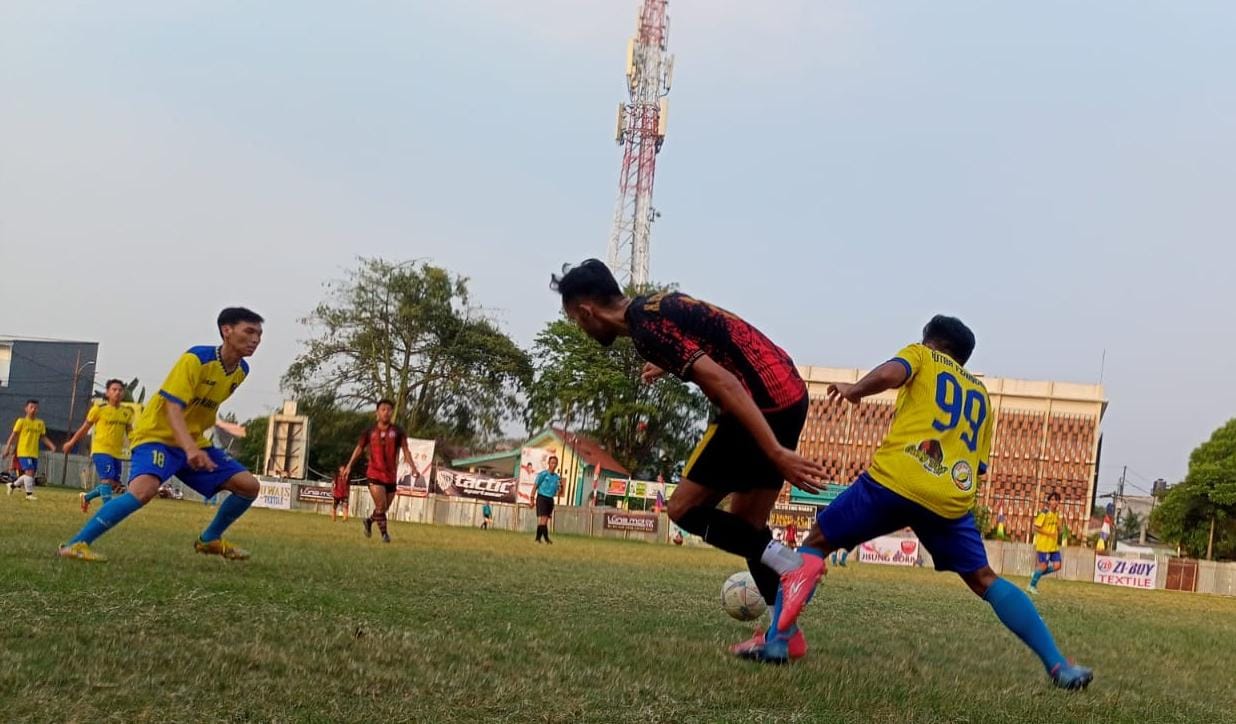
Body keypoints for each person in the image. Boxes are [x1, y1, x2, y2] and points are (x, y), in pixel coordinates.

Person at [760, 316, 1093, 689]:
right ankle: (1059, 665)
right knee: (985, 580)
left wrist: (856, 390)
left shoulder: (922, 356)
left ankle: (777, 641)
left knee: (816, 542)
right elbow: (978, 467)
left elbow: (891, 373)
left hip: (896, 480)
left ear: (931, 342)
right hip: (949, 500)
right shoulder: (982, 397)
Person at [551, 259, 825, 659]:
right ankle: (784, 637)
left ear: (586, 311)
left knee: (683, 509)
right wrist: (668, 362)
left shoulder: (647, 329)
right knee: (748, 526)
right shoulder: (653, 306)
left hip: (757, 404)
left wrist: (776, 452)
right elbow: (718, 330)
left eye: (577, 321)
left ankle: (792, 565)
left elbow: (725, 382)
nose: (581, 328)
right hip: (788, 393)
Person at [58, 308, 266, 562]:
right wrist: (189, 448)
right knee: (143, 491)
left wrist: (194, 445)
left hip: (193, 442)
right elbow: (172, 407)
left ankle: (209, 539)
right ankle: (75, 544)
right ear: (227, 331)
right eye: (249, 331)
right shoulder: (196, 359)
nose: (256, 339)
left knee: (248, 486)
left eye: (259, 334)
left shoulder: (241, 371)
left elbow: (201, 410)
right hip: (157, 436)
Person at [344, 399, 417, 544]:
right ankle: (385, 535)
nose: (386, 412)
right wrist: (349, 465)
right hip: (374, 473)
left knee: (382, 509)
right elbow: (359, 449)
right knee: (381, 506)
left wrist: (413, 467)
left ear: (392, 413)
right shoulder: (369, 432)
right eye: (383, 409)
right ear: (377, 412)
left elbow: (405, 450)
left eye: (389, 410)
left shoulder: (397, 431)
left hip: (390, 475)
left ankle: (369, 521)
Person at [63, 379, 136, 512]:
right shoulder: (99, 409)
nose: (117, 392)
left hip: (116, 453)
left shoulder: (127, 411)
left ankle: (87, 498)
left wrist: (135, 446)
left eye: (120, 390)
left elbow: (130, 431)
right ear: (108, 392)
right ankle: (109, 510)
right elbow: (85, 428)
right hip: (101, 450)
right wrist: (71, 442)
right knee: (107, 480)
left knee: (113, 484)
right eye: (114, 390)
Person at [4, 399, 56, 500]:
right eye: (31, 407)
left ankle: (12, 485)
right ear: (26, 409)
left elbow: (42, 437)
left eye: (35, 408)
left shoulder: (40, 423)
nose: (33, 409)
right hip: (23, 451)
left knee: (30, 475)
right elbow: (13, 435)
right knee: (29, 471)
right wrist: (7, 448)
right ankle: (29, 494)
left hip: (34, 452)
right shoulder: (21, 421)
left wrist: (51, 445)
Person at [1028, 492, 1063, 595]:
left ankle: (1036, 573)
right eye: (1052, 500)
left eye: (1057, 500)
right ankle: (1032, 585)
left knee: (1057, 566)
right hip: (1044, 545)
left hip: (1053, 545)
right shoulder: (1044, 512)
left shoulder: (1057, 514)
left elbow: (1059, 530)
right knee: (1043, 566)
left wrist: (1060, 527)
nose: (1055, 502)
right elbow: (1035, 527)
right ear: (1049, 501)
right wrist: (1049, 533)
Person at [532, 456, 561, 544]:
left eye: (555, 463)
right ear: (548, 463)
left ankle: (537, 539)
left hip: (550, 499)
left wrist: (559, 489)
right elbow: (535, 486)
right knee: (543, 519)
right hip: (542, 497)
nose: (554, 465)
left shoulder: (557, 477)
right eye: (552, 463)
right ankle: (547, 539)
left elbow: (557, 491)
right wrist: (531, 498)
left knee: (544, 521)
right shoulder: (543, 474)